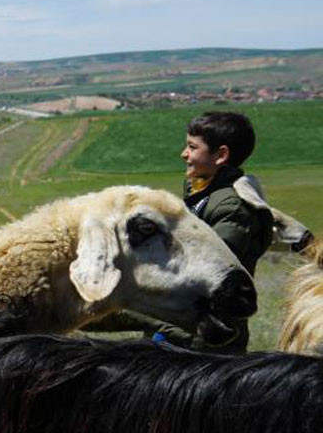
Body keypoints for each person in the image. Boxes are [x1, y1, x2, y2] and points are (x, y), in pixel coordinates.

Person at [86, 111, 274, 353]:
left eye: (192, 147)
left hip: (206, 343)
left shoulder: (231, 208)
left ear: (221, 155)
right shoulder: (203, 196)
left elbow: (212, 284)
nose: (183, 154)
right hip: (180, 334)